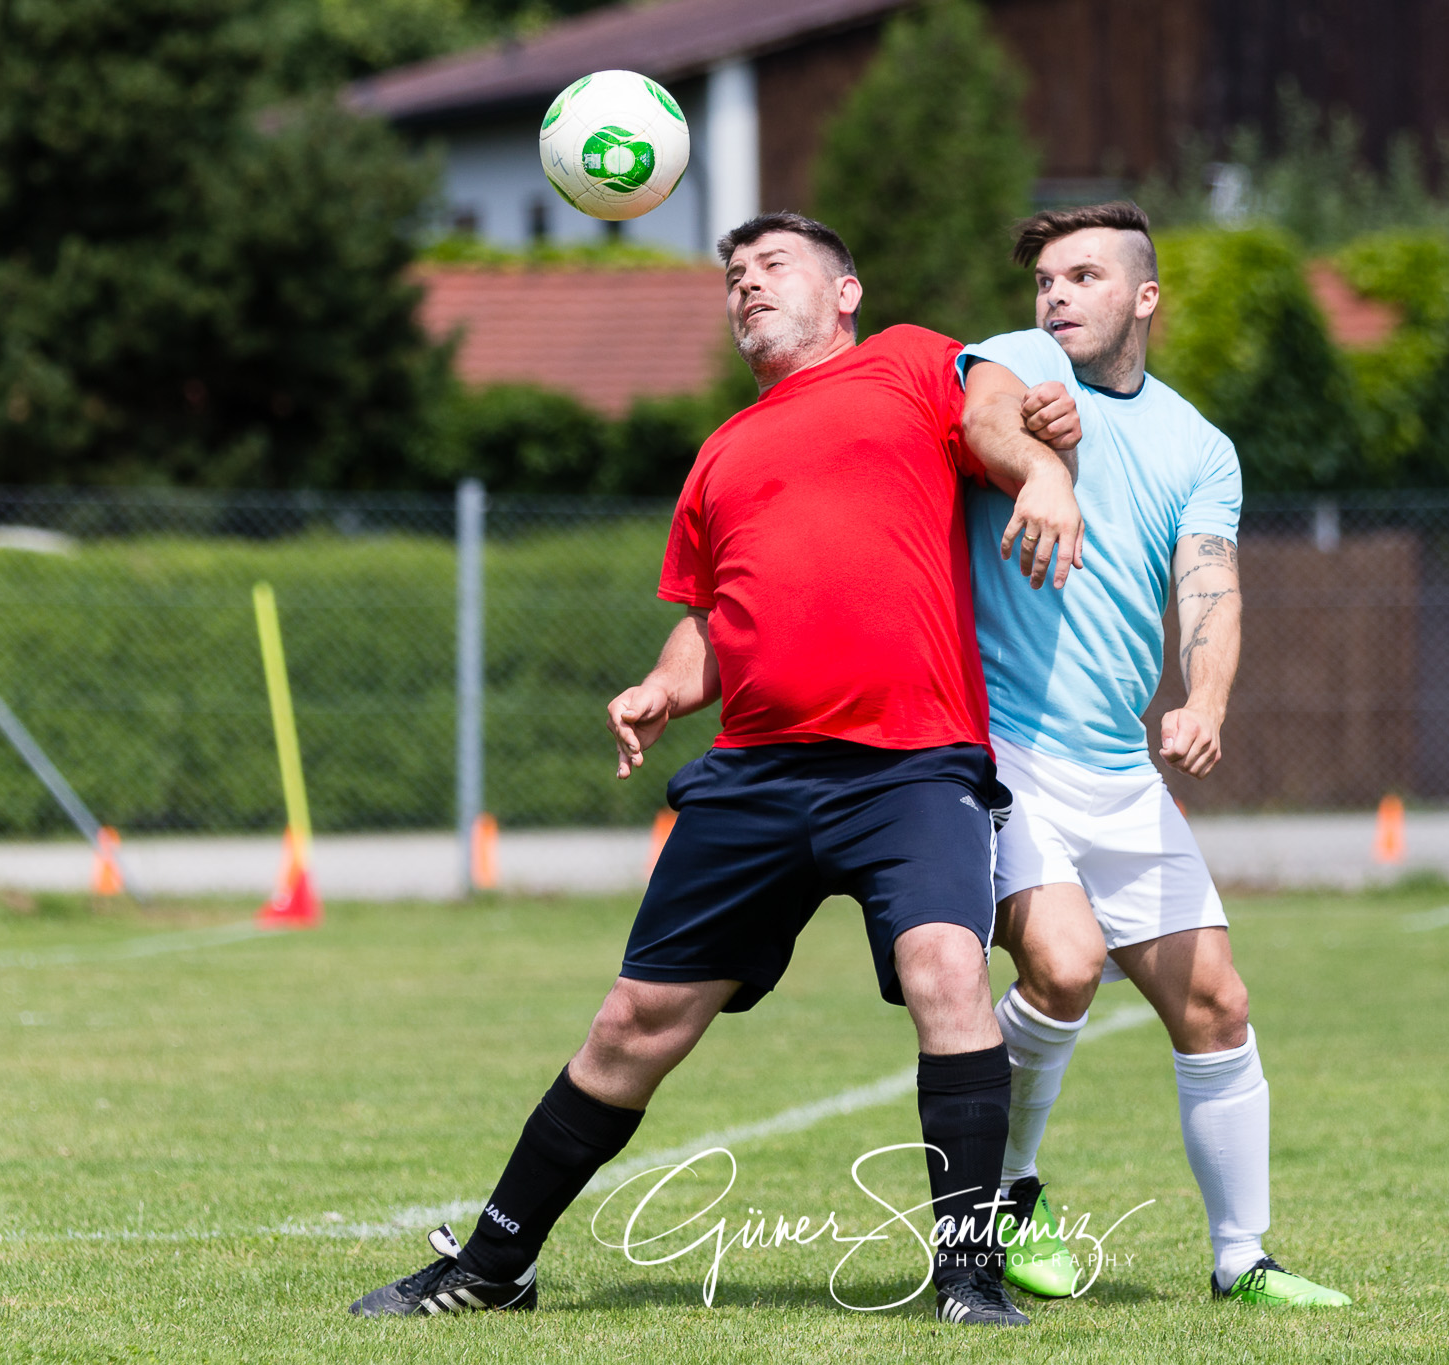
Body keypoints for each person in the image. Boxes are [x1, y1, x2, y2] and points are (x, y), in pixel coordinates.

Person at [348, 212, 1085, 1328]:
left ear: (843, 291)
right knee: (631, 1024)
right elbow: (711, 619)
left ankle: (969, 1277)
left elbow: (989, 416)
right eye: (732, 275)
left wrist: (1039, 470)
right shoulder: (720, 453)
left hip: (909, 765)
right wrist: (659, 685)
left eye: (770, 266)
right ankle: (493, 1266)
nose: (745, 284)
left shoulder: (906, 361)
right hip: (752, 780)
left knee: (948, 973)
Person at [960, 202, 1350, 1308]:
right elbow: (985, 415)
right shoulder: (1024, 365)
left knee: (1216, 1003)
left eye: (1081, 276)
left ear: (1144, 297)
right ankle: (1009, 1194)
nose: (1054, 296)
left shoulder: (1197, 444)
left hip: (1116, 769)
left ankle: (1244, 1263)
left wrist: (1204, 697)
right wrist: (1038, 462)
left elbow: (1210, 584)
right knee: (1065, 965)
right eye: (1043, 279)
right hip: (1004, 746)